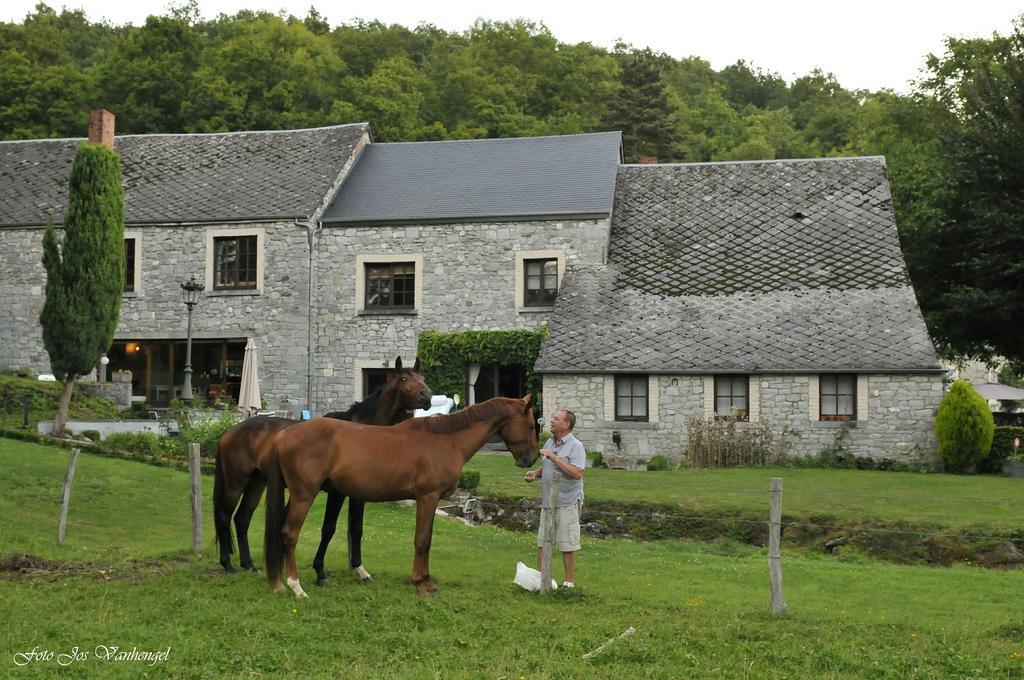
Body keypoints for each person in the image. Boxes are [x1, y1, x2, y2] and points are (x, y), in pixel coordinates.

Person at [524, 408, 585, 588]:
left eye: (556, 419)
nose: (551, 421)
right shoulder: (550, 442)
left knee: (567, 543)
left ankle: (569, 582)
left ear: (566, 425)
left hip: (567, 502)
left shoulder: (576, 446)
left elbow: (577, 473)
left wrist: (556, 459)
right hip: (548, 502)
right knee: (543, 541)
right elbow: (547, 467)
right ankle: (542, 579)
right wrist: (535, 474)